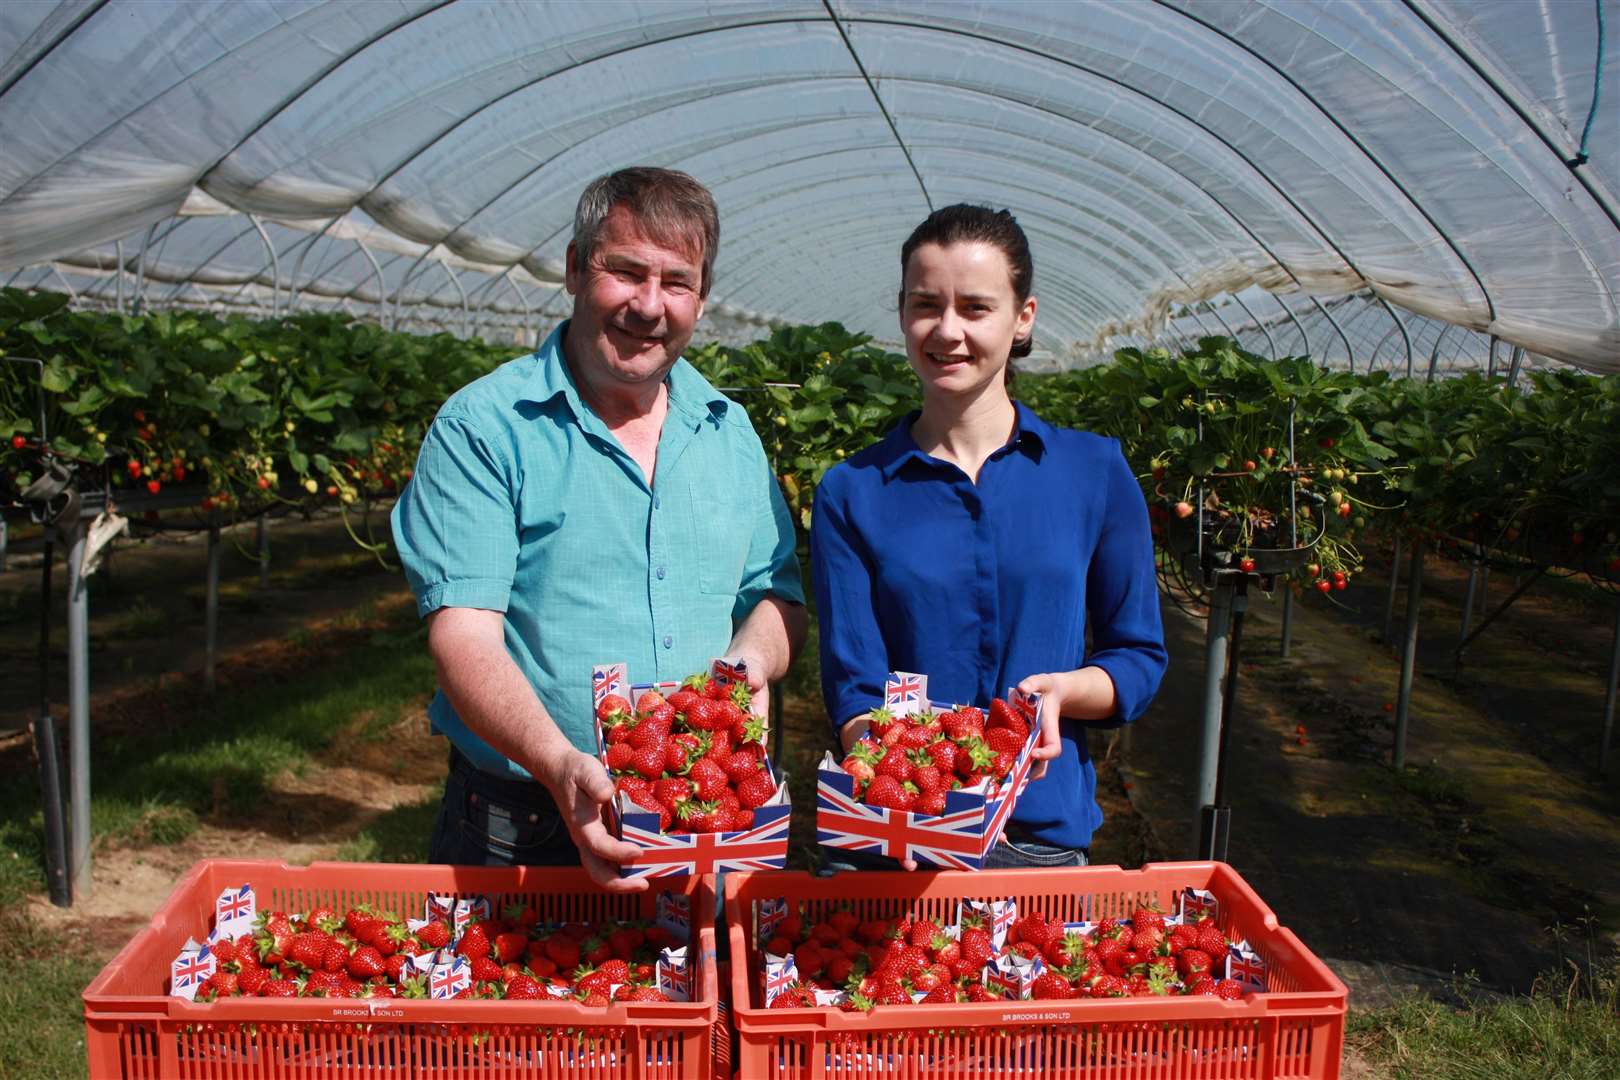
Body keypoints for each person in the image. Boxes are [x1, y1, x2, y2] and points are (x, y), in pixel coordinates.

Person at [392, 167, 806, 892]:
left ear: (702, 299)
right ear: (577, 269)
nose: (649, 306)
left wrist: (752, 662)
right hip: (526, 824)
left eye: (677, 282)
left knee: (696, 1005)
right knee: (530, 1006)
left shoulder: (728, 431)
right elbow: (463, 636)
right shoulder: (486, 427)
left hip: (702, 810)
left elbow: (775, 596)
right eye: (626, 272)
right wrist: (559, 764)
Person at [811, 204, 1166, 869]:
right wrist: (900, 761)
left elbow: (1138, 657)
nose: (947, 331)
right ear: (902, 313)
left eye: (975, 307)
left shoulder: (1093, 472)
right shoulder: (852, 491)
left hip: (1038, 838)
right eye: (926, 305)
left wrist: (1063, 692)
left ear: (1022, 317)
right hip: (894, 841)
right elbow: (854, 688)